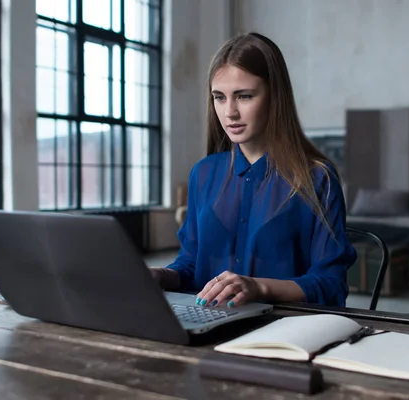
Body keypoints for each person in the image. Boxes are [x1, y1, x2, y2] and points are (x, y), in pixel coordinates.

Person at [151, 32, 356, 308]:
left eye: (244, 96)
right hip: (207, 322)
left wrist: (257, 286)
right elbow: (191, 267)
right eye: (219, 98)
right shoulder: (203, 173)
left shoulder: (318, 178)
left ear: (275, 96)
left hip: (281, 330)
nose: (229, 112)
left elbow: (331, 284)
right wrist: (159, 276)